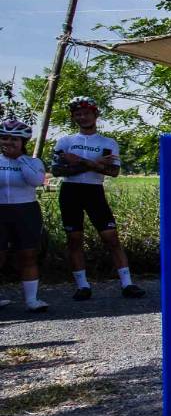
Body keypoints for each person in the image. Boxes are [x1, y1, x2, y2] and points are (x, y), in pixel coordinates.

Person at [50, 96, 144, 300]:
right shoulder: (65, 142)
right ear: (73, 117)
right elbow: (57, 171)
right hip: (71, 191)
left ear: (95, 115)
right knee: (74, 239)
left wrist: (80, 161)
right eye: (78, 114)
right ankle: (83, 286)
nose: (82, 117)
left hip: (94, 191)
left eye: (86, 113)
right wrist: (95, 163)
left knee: (111, 238)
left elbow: (113, 172)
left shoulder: (107, 143)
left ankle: (127, 284)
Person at [0, 116, 48, 312]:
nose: (8, 142)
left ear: (23, 142)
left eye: (14, 139)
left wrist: (19, 159)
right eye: (4, 138)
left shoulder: (33, 162)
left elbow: (36, 181)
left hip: (26, 211)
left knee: (28, 255)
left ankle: (32, 300)